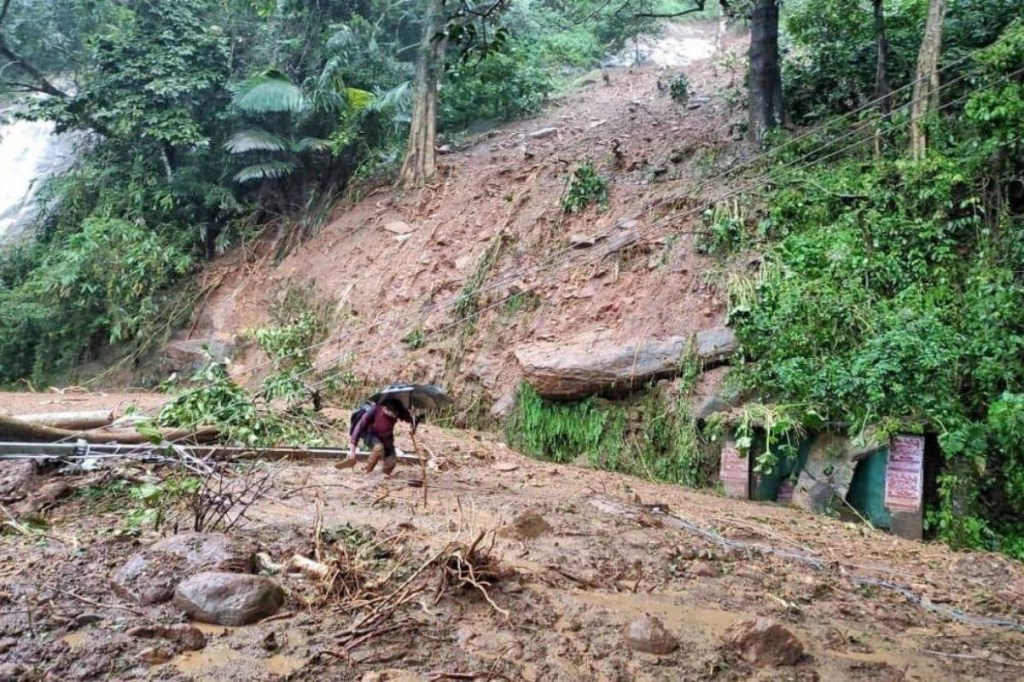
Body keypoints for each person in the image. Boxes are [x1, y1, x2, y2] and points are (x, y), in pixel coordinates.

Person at [336, 398, 417, 475]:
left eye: (396, 414)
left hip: (387, 438)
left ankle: (382, 476)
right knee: (379, 448)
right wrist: (352, 449)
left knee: (391, 462)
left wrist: (414, 418)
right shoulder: (374, 410)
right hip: (371, 435)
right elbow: (359, 426)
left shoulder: (398, 410)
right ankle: (368, 471)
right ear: (385, 409)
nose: (395, 416)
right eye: (393, 414)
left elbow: (411, 420)